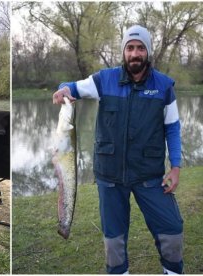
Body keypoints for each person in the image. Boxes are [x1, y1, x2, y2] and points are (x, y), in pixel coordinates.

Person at [52, 25, 183, 274]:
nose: (135, 53)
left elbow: (173, 129)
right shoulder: (104, 80)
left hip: (150, 174)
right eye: (130, 48)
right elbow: (73, 87)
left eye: (140, 48)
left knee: (172, 231)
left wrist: (175, 167)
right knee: (113, 240)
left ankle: (173, 270)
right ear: (124, 51)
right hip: (110, 177)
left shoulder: (164, 87)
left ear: (148, 51)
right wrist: (65, 89)